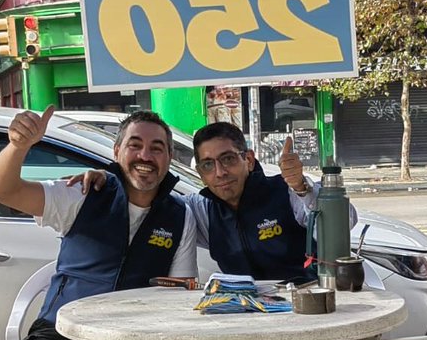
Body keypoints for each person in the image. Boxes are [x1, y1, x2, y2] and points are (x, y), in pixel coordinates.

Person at [0, 106, 197, 340]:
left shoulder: (180, 216)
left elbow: (180, 291)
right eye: (135, 145)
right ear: (116, 151)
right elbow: (2, 191)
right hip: (63, 335)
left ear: (169, 157)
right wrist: (18, 146)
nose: (145, 156)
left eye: (157, 149)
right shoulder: (82, 192)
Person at [73, 121, 356, 283]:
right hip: (249, 318)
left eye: (228, 160)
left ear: (248, 159)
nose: (219, 173)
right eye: (208, 165)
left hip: (307, 308)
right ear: (199, 172)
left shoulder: (285, 191)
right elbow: (147, 200)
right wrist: (110, 178)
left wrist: (302, 186)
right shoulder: (199, 210)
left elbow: (346, 222)